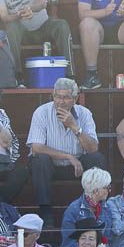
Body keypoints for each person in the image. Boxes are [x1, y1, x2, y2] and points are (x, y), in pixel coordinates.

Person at [28, 77, 105, 215]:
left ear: (75, 99)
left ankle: (95, 208)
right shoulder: (41, 112)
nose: (61, 102)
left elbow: (93, 148)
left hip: (77, 167)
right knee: (39, 159)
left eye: (66, 97)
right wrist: (68, 156)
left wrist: (74, 126)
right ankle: (45, 212)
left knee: (97, 159)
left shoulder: (84, 113)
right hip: (50, 165)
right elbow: (36, 147)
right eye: (57, 97)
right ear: (53, 96)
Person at [60, 167, 114, 247]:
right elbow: (68, 242)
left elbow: (108, 238)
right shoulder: (74, 209)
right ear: (96, 190)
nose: (109, 190)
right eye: (107, 187)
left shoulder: (106, 209)